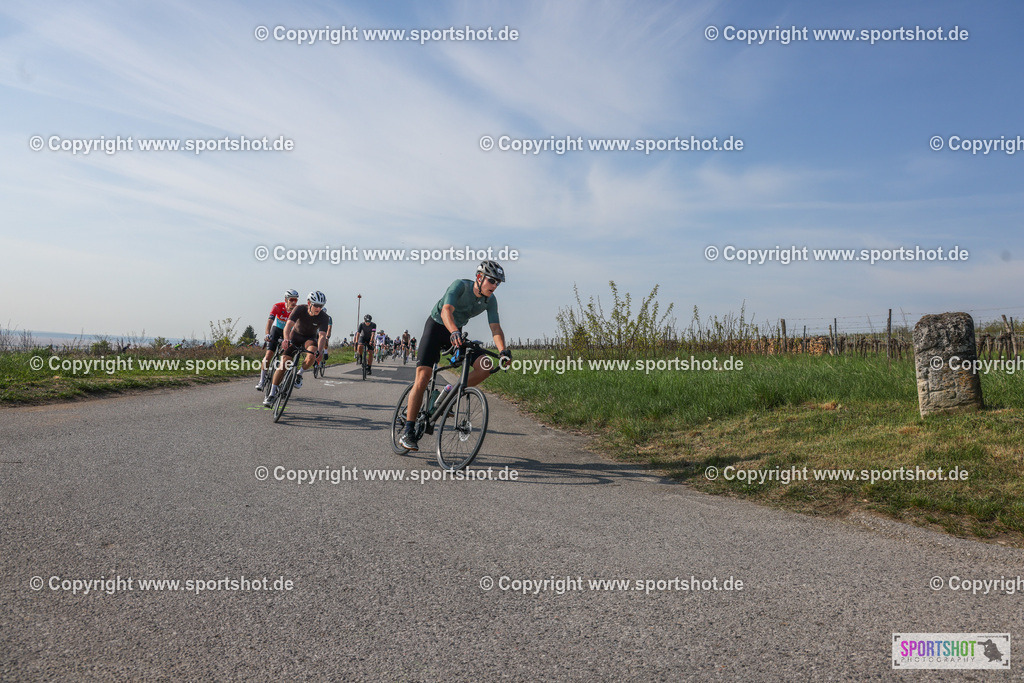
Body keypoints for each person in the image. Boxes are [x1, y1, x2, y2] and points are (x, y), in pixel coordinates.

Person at [399, 261, 511, 451]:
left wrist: (502, 351)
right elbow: (446, 310)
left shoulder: (490, 301)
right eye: (492, 281)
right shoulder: (460, 285)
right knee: (424, 376)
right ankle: (408, 431)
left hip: (456, 332)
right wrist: (453, 332)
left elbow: (495, 327)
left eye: (498, 283)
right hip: (437, 327)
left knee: (485, 366)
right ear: (479, 277)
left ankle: (450, 392)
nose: (494, 286)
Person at [263, 291, 330, 406]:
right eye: (316, 305)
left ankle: (299, 374)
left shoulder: (324, 317)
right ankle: (272, 394)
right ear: (309, 303)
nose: (318, 308)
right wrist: (286, 339)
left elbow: (322, 335)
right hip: (295, 336)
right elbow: (288, 325)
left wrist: (320, 351)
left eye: (321, 306)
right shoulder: (299, 309)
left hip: (309, 339)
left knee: (312, 355)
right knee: (284, 364)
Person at [256, 289, 298, 391]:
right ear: (286, 299)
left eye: (296, 300)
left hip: (288, 334)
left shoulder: (297, 310)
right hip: (277, 330)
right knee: (268, 355)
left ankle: (279, 381)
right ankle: (262, 381)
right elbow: (270, 321)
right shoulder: (278, 306)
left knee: (286, 360)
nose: (293, 302)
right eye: (291, 299)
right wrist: (267, 334)